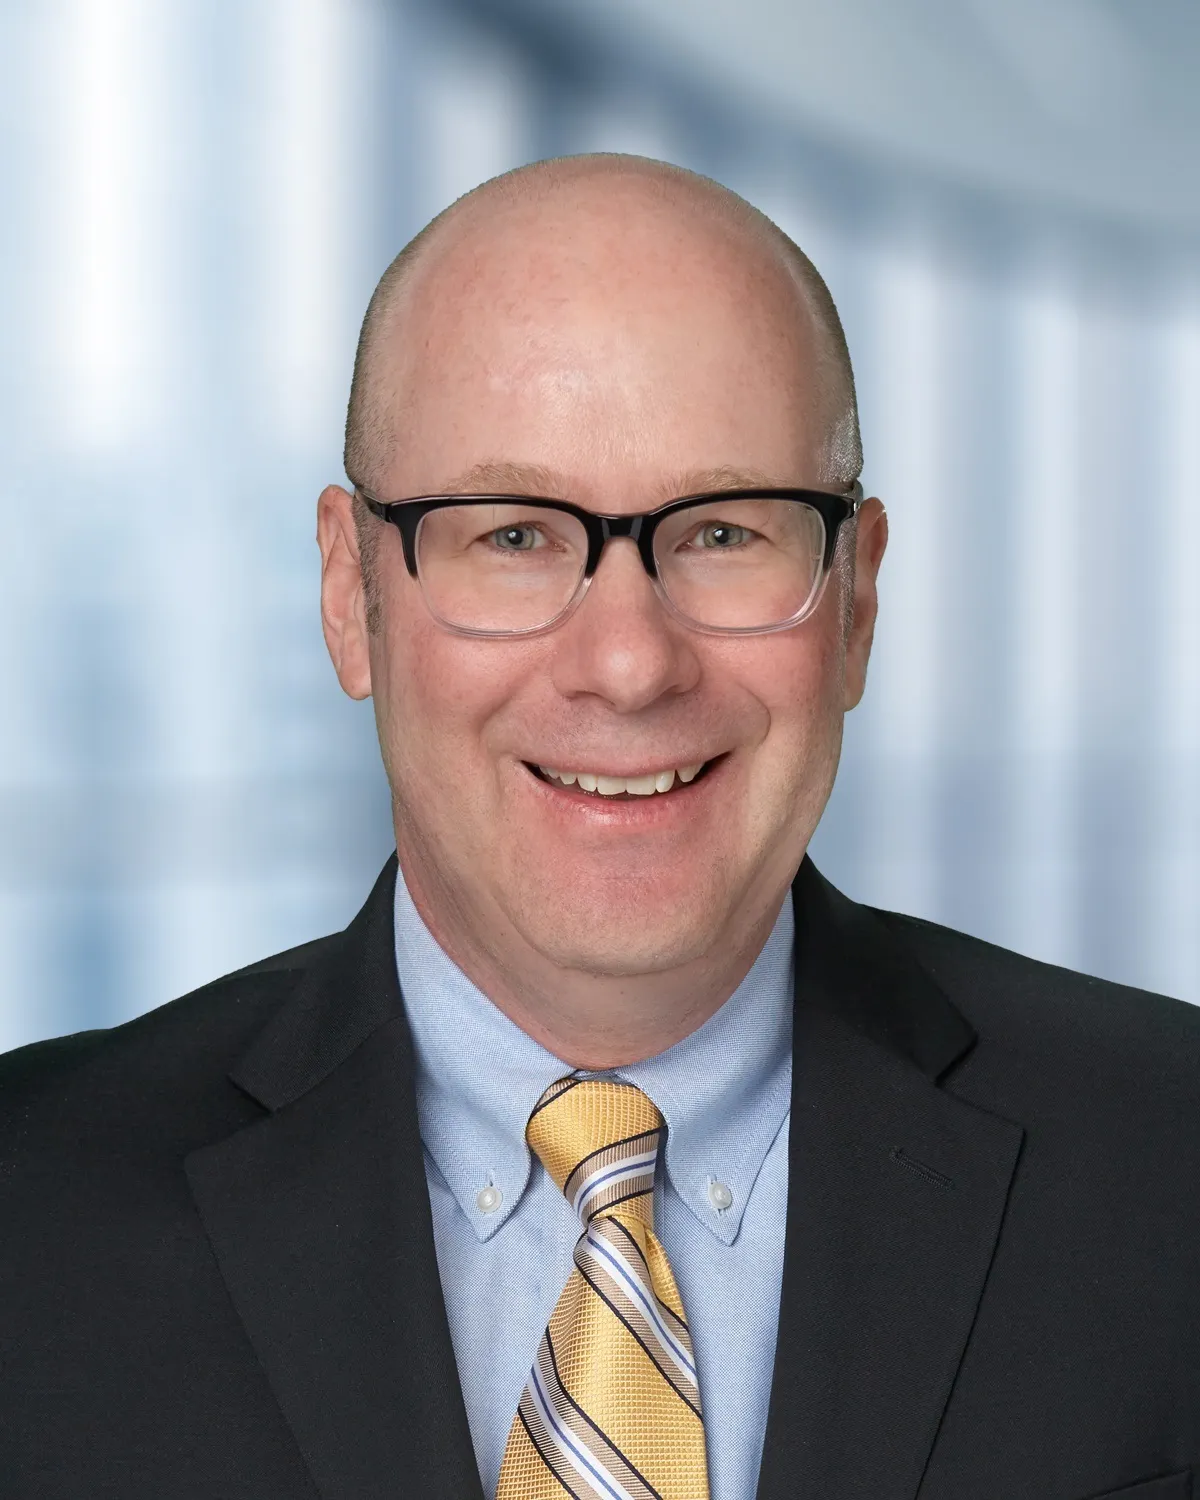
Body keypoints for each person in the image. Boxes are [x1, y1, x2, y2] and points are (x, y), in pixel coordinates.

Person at [2, 155, 1198, 1500]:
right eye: (513, 536)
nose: (628, 663)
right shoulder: (26, 1214)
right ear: (352, 596)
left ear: (856, 600)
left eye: (726, 532)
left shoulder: (1174, 1166)